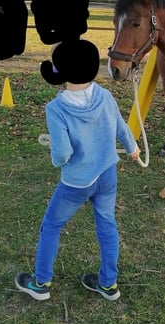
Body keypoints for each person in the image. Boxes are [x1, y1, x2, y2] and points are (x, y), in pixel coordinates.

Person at [15, 39, 140, 302]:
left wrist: (58, 160)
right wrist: (132, 149)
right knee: (107, 225)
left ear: (61, 71)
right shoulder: (105, 96)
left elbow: (61, 154)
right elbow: (120, 126)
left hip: (76, 183)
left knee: (51, 225)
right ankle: (108, 284)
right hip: (106, 175)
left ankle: (41, 283)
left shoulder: (56, 109)